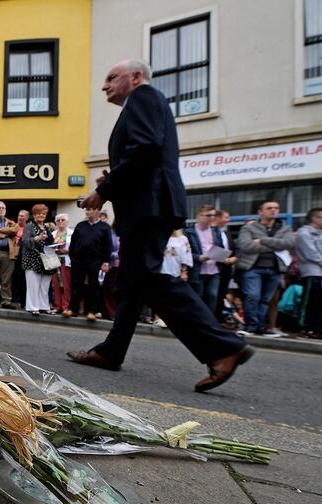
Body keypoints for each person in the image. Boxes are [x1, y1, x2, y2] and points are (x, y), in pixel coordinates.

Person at [67, 58, 251, 393]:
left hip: (149, 207)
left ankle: (223, 347)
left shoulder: (144, 96)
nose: (104, 85)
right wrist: (114, 182)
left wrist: (104, 191)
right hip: (146, 204)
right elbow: (143, 156)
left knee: (147, 278)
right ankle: (111, 351)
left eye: (112, 77)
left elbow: (145, 148)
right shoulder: (143, 103)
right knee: (132, 284)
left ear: (136, 77)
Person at [236, 200, 296, 337]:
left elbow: (289, 243)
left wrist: (263, 240)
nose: (273, 210)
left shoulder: (285, 228)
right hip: (252, 268)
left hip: (275, 269)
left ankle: (260, 327)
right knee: (253, 296)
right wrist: (276, 245)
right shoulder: (248, 228)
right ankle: (250, 326)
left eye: (276, 208)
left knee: (265, 299)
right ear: (260, 212)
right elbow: (246, 246)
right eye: (269, 208)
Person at [65, 207, 112, 321]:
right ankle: (73, 309)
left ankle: (92, 311)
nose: (87, 212)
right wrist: (73, 258)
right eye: (87, 209)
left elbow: (108, 246)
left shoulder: (104, 227)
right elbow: (73, 243)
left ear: (97, 211)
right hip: (78, 260)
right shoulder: (80, 225)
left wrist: (105, 262)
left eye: (90, 209)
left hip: (95, 260)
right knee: (76, 285)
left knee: (93, 286)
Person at [295, 207, 322, 339]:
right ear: (314, 218)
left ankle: (318, 329)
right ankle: (305, 328)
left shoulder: (320, 233)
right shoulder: (304, 233)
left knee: (321, 302)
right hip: (311, 271)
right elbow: (311, 253)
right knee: (309, 301)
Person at [184, 205, 225, 313]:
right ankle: (197, 319)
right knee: (198, 297)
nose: (211, 218)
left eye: (213, 215)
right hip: (197, 271)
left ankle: (209, 320)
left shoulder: (216, 231)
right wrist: (199, 257)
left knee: (212, 296)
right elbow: (184, 253)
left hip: (214, 270)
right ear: (199, 216)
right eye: (208, 215)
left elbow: (221, 248)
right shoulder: (189, 232)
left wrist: (222, 256)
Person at [20, 204, 56, 315]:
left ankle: (44, 306)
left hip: (46, 260)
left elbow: (50, 241)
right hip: (32, 259)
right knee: (33, 285)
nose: (41, 215)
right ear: (34, 214)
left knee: (45, 285)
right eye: (39, 213)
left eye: (43, 214)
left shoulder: (46, 227)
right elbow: (25, 241)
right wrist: (37, 238)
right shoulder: (29, 226)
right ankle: (33, 307)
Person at [213, 209, 240, 322]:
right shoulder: (210, 231)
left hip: (226, 269)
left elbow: (234, 248)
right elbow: (208, 248)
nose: (228, 220)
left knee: (222, 294)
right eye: (226, 217)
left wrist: (235, 257)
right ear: (217, 217)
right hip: (213, 268)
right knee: (212, 295)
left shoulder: (226, 232)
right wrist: (223, 258)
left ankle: (219, 320)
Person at [49, 213, 73, 314]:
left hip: (66, 261)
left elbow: (76, 247)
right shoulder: (53, 234)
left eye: (62, 220)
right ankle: (57, 306)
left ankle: (66, 306)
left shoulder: (72, 233)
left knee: (66, 285)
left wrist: (67, 250)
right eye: (58, 220)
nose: (60, 222)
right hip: (55, 260)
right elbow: (48, 247)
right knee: (55, 284)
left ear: (67, 221)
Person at [12, 209, 30, 308]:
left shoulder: (29, 228)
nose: (20, 217)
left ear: (27, 218)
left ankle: (24, 301)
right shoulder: (13, 226)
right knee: (11, 278)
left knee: (23, 279)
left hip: (23, 256)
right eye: (19, 215)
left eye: (22, 216)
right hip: (11, 255)